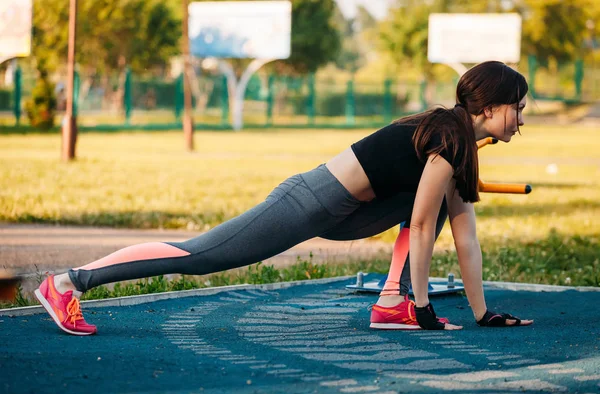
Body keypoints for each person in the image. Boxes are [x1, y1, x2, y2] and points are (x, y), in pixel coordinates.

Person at [35, 61, 533, 336]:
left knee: (442, 203)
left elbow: (463, 233)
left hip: (349, 209)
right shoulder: (448, 139)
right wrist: (426, 307)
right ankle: (68, 282)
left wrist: (482, 312)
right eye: (518, 108)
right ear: (489, 108)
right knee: (202, 256)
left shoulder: (458, 144)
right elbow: (422, 228)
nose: (522, 119)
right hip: (312, 199)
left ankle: (391, 303)